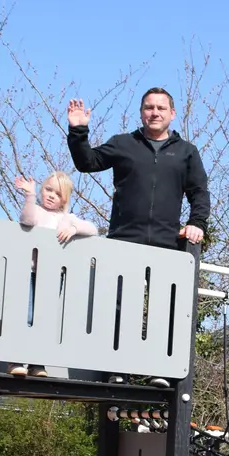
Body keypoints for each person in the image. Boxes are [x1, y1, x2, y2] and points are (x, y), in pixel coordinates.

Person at [66, 87, 211, 389]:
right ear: (141, 112)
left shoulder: (186, 152)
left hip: (166, 243)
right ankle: (118, 369)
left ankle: (160, 369)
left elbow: (199, 192)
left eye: (161, 108)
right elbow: (87, 162)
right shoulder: (124, 144)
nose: (154, 113)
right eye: (149, 107)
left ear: (172, 113)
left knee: (164, 308)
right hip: (124, 239)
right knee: (120, 306)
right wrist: (78, 131)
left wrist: (197, 223)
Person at [2, 171, 99, 378]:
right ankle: (16, 359)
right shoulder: (37, 211)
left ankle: (37, 363)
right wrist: (29, 195)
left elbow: (93, 229)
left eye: (58, 194)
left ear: (64, 199)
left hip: (53, 276)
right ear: (42, 189)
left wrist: (73, 228)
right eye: (48, 190)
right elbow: (27, 220)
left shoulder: (66, 218)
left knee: (43, 318)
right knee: (27, 315)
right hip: (29, 272)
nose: (51, 195)